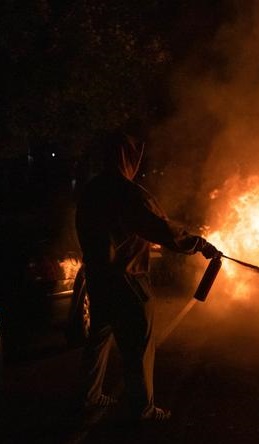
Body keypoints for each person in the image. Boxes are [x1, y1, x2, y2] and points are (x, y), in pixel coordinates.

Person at [75, 131, 220, 421]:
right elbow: (162, 229)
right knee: (139, 346)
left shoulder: (91, 190)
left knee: (98, 340)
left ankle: (89, 398)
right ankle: (143, 409)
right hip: (128, 281)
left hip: (99, 278)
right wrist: (200, 244)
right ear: (127, 157)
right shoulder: (128, 193)